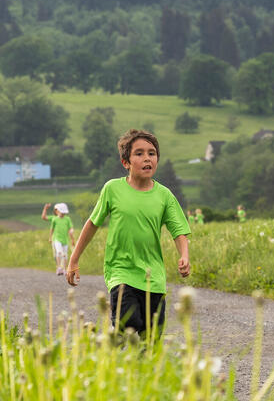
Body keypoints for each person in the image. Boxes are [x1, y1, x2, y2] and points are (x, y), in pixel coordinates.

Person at [67, 129, 191, 338]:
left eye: (152, 153)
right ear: (126, 163)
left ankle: (131, 358)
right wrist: (73, 259)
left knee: (151, 338)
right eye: (139, 153)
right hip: (120, 272)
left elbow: (178, 230)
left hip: (154, 277)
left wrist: (184, 255)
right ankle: (119, 338)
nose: (147, 158)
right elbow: (92, 224)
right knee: (130, 326)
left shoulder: (164, 196)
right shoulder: (112, 189)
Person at [41, 202, 75, 275]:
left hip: (65, 240)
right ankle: (59, 267)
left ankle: (64, 269)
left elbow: (70, 229)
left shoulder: (67, 219)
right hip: (56, 239)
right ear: (56, 211)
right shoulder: (54, 218)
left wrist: (72, 239)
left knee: (65, 255)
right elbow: (44, 218)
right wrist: (45, 208)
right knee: (59, 253)